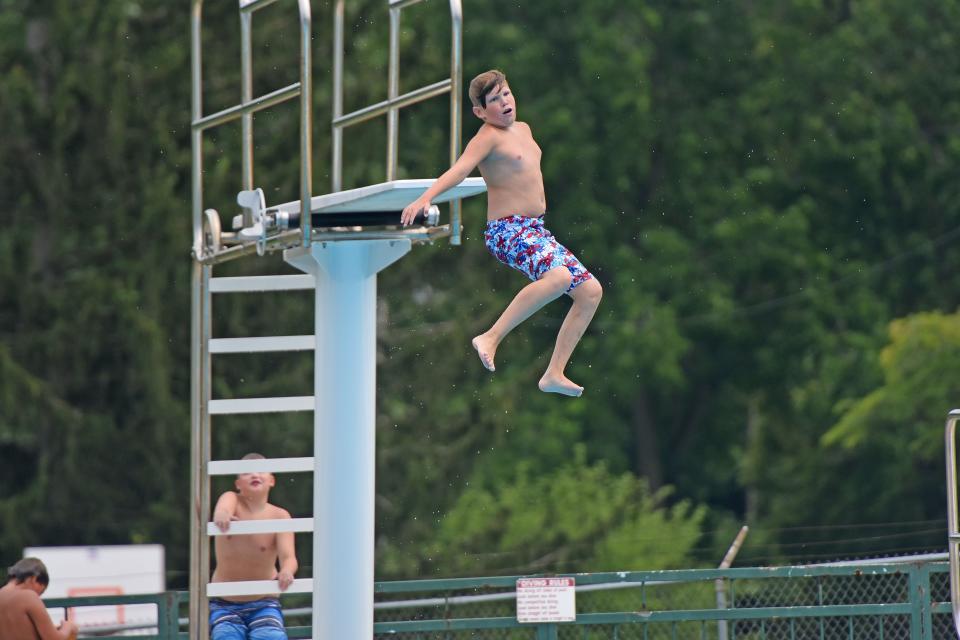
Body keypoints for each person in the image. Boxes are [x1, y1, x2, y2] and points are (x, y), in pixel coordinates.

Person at [401, 69, 603, 397]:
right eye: (494, 100)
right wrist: (426, 198)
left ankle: (554, 373)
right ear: (480, 112)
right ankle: (491, 337)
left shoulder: (524, 129)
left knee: (590, 292)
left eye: (506, 94)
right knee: (559, 278)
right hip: (507, 231)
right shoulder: (487, 137)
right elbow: (460, 169)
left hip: (536, 232)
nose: (505, 102)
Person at [209, 453, 298, 640]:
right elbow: (223, 508)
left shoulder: (280, 516)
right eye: (246, 472)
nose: (254, 475)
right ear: (238, 483)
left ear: (272, 480)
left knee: (271, 636)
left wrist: (287, 571)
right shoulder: (231, 500)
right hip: (225, 602)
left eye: (260, 470)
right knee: (225, 636)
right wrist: (222, 515)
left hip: (264, 601)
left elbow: (288, 557)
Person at [0, 557, 78, 640]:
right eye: (39, 592)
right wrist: (67, 627)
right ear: (33, 579)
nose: (38, 597)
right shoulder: (28, 596)